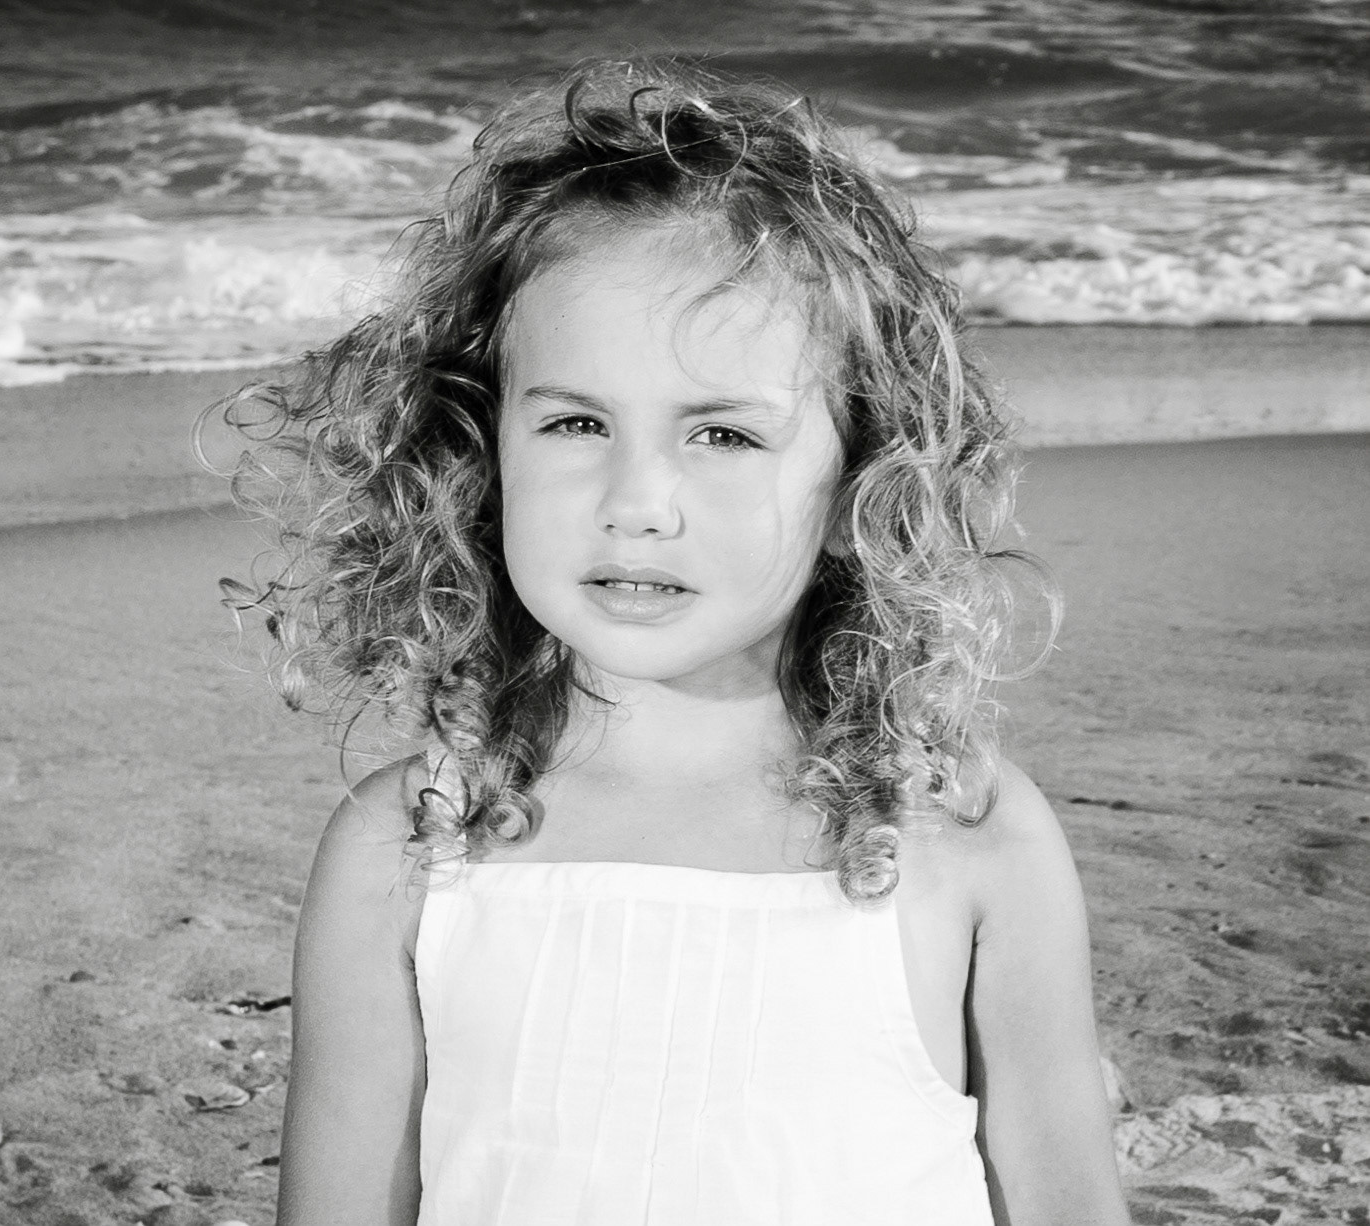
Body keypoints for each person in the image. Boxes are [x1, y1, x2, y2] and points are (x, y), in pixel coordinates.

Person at [220, 59, 1130, 1226]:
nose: (637, 501)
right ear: (479, 451)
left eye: (723, 434)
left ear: (861, 475)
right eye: (576, 421)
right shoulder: (405, 846)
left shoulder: (963, 835)